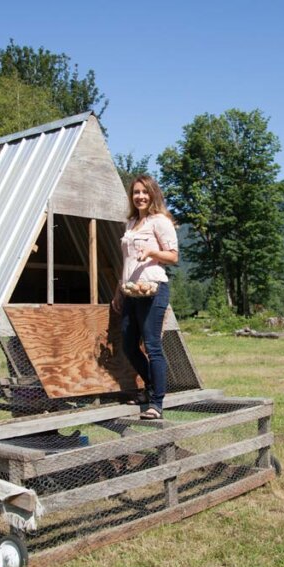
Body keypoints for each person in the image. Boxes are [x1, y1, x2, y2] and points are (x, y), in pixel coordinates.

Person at [112, 174, 178, 419]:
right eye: (136, 192)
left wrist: (152, 251)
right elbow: (125, 261)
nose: (140, 196)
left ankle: (156, 403)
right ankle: (151, 388)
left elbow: (173, 256)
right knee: (129, 345)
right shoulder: (130, 224)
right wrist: (119, 291)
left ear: (153, 195)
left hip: (153, 288)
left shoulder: (160, 221)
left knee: (152, 345)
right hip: (131, 290)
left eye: (145, 192)